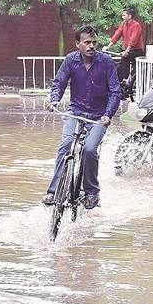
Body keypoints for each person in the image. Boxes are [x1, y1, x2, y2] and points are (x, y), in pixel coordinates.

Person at [42, 25, 121, 210]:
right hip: (75, 111)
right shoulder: (70, 60)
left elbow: (115, 92)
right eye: (87, 42)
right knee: (65, 145)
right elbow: (59, 83)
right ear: (78, 43)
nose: (91, 46)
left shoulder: (106, 62)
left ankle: (92, 192)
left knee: (90, 149)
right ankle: (53, 192)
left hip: (99, 116)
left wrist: (108, 115)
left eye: (94, 42)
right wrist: (54, 100)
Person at [103, 7, 145, 83]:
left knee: (125, 58)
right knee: (121, 64)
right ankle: (120, 81)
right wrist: (108, 47)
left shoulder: (136, 25)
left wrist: (127, 51)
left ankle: (124, 80)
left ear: (130, 16)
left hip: (137, 50)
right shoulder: (123, 24)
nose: (122, 17)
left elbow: (133, 39)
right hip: (128, 50)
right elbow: (117, 34)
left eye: (124, 15)